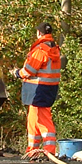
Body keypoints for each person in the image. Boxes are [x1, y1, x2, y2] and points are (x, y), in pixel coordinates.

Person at [11, 22, 61, 156]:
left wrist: (17, 73)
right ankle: (32, 151)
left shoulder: (40, 50)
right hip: (48, 90)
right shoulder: (55, 49)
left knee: (43, 120)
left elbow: (29, 70)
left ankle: (49, 152)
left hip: (38, 90)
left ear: (39, 33)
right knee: (33, 120)